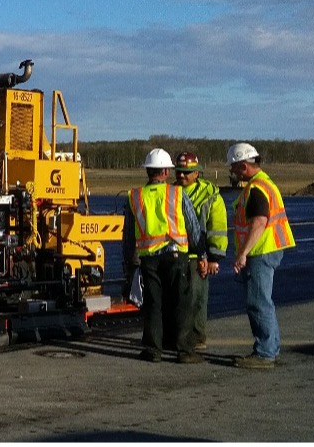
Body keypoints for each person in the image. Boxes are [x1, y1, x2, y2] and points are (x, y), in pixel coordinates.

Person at [122, 148, 205, 364]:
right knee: (181, 302)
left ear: (148, 171)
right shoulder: (177, 194)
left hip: (148, 258)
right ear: (166, 171)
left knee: (153, 304)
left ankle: (153, 350)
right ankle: (185, 351)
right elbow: (192, 227)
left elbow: (128, 235)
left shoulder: (135, 196)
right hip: (176, 255)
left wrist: (129, 265)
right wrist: (201, 252)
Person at [227, 142, 296, 369]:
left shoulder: (256, 188)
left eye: (235, 167)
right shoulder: (266, 183)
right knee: (263, 301)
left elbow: (259, 222)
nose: (233, 172)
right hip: (270, 248)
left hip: (261, 250)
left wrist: (243, 253)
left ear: (244, 166)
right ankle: (270, 348)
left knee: (258, 302)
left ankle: (265, 353)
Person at [173, 152, 228, 350]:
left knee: (196, 298)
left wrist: (214, 258)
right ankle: (178, 336)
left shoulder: (210, 195)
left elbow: (218, 228)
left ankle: (196, 337)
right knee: (177, 298)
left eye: (186, 172)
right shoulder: (172, 192)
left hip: (199, 256)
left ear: (197, 173)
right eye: (179, 172)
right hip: (176, 254)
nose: (181, 176)